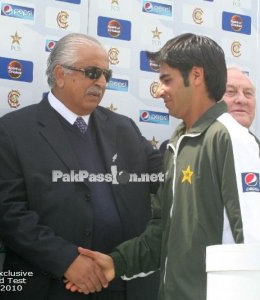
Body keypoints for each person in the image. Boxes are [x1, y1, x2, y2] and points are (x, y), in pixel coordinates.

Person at [71, 33, 260, 300]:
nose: (159, 91)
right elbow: (162, 232)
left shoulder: (231, 138)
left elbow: (253, 240)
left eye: (166, 80)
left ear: (196, 76)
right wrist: (117, 262)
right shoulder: (177, 144)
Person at [0, 33, 162, 300]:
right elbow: (8, 214)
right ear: (60, 74)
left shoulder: (124, 128)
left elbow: (163, 174)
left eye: (106, 74)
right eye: (92, 72)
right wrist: (67, 260)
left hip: (122, 287)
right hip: (52, 285)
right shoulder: (11, 131)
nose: (101, 82)